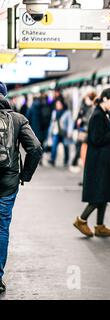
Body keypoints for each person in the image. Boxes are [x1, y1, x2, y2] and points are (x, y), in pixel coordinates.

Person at [0, 82, 43, 294]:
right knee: (1, 227)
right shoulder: (17, 119)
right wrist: (25, 175)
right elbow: (35, 148)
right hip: (8, 181)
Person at [73, 88, 110, 238]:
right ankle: (81, 220)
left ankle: (99, 226)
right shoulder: (97, 115)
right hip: (98, 163)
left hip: (103, 162)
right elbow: (96, 138)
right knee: (98, 195)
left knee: (104, 194)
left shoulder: (105, 113)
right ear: (105, 99)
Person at [71, 92, 96, 168]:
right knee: (80, 146)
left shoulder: (92, 108)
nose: (86, 101)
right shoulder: (84, 106)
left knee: (82, 147)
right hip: (83, 130)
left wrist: (82, 120)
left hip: (86, 130)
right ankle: (76, 162)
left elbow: (88, 119)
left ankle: (76, 162)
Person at [47, 98, 73, 167]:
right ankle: (52, 160)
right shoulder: (54, 112)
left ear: (62, 104)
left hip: (64, 132)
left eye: (59, 104)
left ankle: (66, 160)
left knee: (65, 146)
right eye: (57, 104)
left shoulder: (67, 112)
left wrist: (70, 132)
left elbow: (70, 123)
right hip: (56, 132)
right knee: (54, 146)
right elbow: (52, 122)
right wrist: (50, 132)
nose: (58, 105)